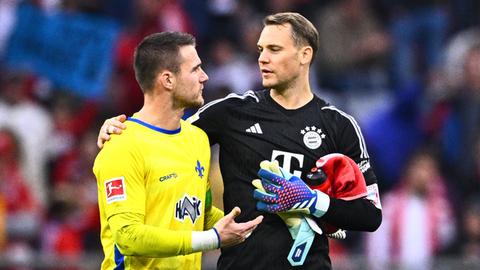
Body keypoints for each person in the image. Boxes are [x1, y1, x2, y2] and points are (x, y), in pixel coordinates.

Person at [98, 13, 382, 269]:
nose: (262, 58)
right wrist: (117, 129)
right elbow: (161, 133)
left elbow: (370, 216)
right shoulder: (231, 112)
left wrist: (313, 202)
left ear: (304, 54)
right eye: (260, 49)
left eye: (274, 49)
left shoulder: (339, 125)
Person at [92, 32, 263, 270]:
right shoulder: (122, 144)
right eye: (195, 69)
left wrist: (257, 223)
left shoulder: (198, 140)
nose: (205, 77)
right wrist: (212, 238)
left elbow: (198, 215)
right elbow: (128, 237)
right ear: (168, 80)